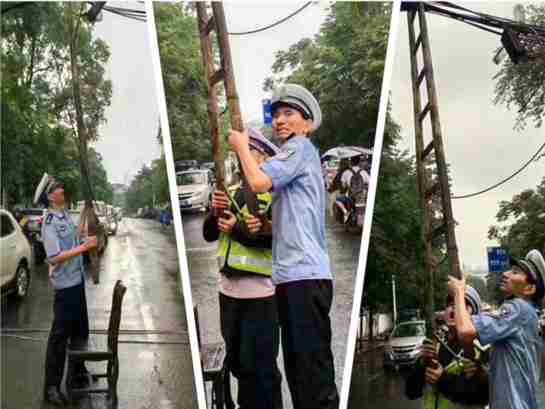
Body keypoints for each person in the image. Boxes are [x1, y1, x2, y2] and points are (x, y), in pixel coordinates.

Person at [228, 84, 339, 409]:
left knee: (311, 376)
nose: (280, 120)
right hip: (294, 277)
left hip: (303, 277)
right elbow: (293, 220)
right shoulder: (296, 157)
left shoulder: (299, 148)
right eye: (276, 114)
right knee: (301, 371)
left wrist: (241, 147)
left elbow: (259, 181)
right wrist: (264, 226)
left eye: (289, 114)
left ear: (307, 123)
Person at [203, 129, 282, 409]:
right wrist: (214, 213)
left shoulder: (274, 194)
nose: (244, 160)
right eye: (242, 154)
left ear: (265, 159)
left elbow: (273, 238)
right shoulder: (231, 190)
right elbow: (210, 234)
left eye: (252, 154)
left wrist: (236, 228)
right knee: (237, 364)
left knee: (260, 369)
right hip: (228, 294)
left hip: (260, 296)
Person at [448, 249, 545, 409]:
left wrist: (458, 292)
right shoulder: (527, 314)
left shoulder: (518, 308)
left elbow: (466, 332)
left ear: (529, 289)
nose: (506, 273)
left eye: (515, 272)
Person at [34, 174, 97, 406]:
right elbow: (54, 257)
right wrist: (83, 247)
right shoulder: (49, 222)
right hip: (65, 288)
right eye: (57, 188)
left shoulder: (65, 216)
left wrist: (83, 225)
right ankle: (51, 387)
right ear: (50, 197)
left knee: (81, 330)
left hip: (77, 282)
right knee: (59, 338)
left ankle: (78, 372)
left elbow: (72, 238)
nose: (62, 189)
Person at [406, 286, 489, 409]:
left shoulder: (482, 350)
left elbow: (482, 397)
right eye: (450, 304)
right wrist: (422, 365)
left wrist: (442, 380)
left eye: (461, 306)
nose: (454, 308)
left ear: (475, 316)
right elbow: (411, 393)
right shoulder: (436, 345)